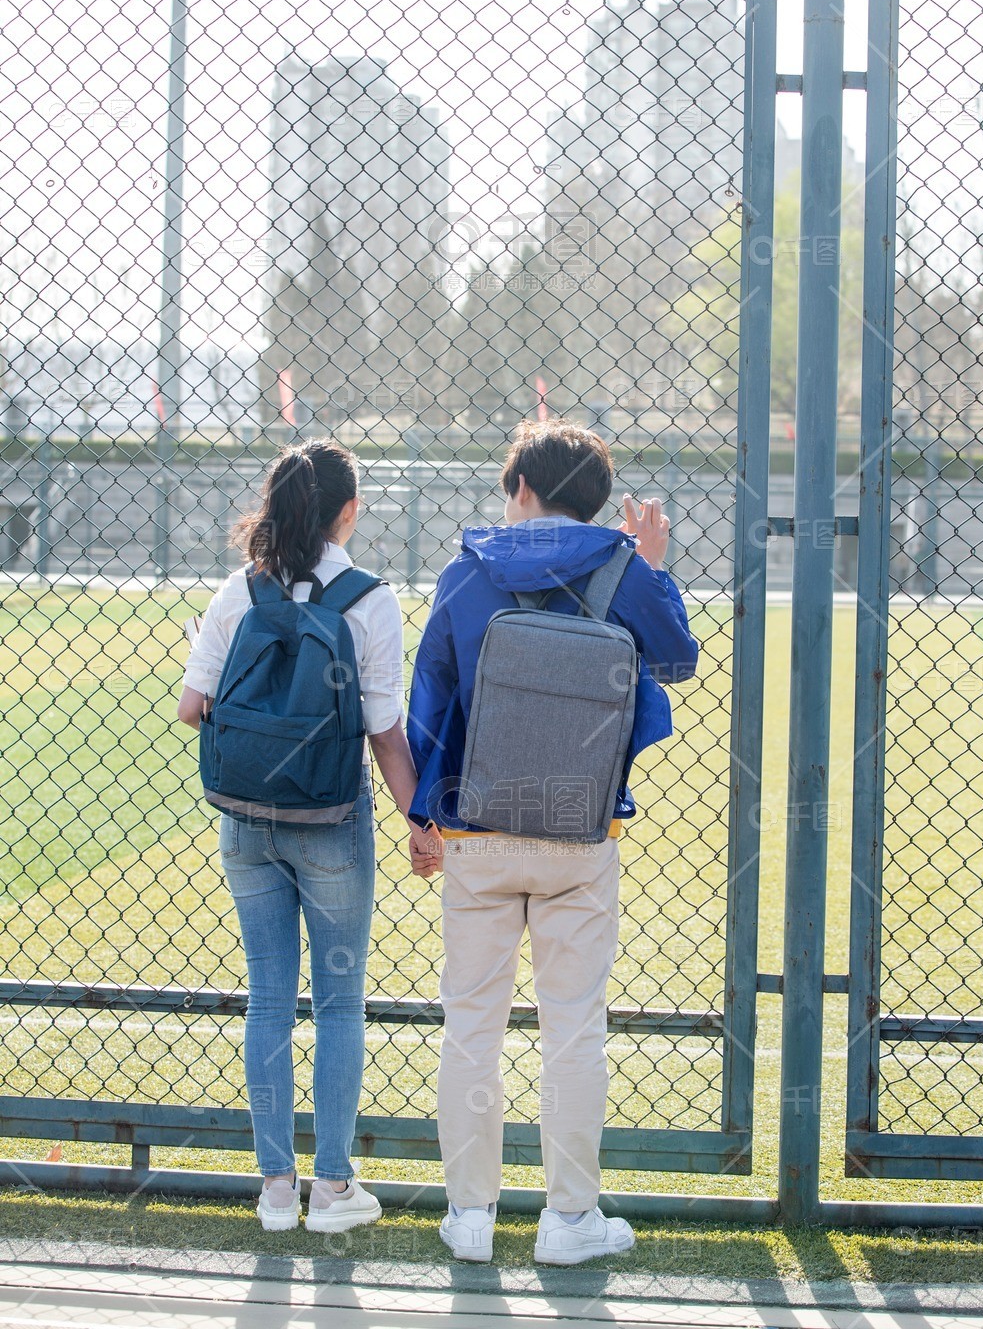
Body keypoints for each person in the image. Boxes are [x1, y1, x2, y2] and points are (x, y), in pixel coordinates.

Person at [407, 418, 699, 1266]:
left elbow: (430, 691)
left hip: (478, 824)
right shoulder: (619, 565)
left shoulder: (468, 569)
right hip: (580, 829)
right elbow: (675, 660)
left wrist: (425, 814)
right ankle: (569, 1222)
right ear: (596, 499)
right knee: (574, 1027)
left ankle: (469, 1216)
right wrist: (649, 564)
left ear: (524, 490)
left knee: (471, 1025)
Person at [177, 440, 439, 1233]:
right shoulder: (369, 600)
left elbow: (192, 708)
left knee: (268, 996)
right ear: (349, 512)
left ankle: (276, 1189)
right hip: (330, 822)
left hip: (246, 821)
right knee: (337, 1003)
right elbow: (386, 729)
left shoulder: (239, 588)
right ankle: (333, 1188)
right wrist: (417, 822)